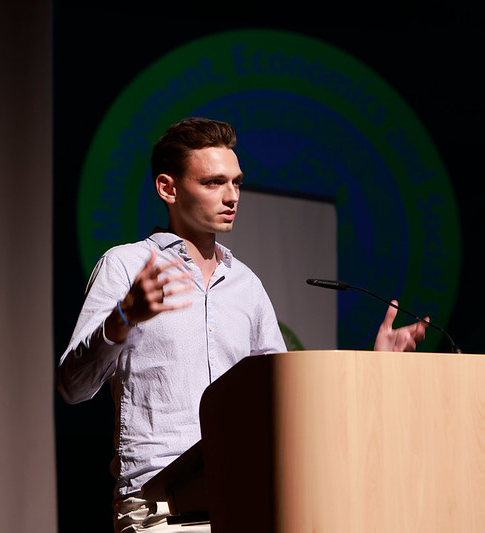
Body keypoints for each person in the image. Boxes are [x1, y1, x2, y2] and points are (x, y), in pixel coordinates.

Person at [57, 117, 427, 533]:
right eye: (214, 183)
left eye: (237, 183)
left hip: (246, 497)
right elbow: (73, 386)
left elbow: (285, 394)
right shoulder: (125, 265)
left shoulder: (246, 283)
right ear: (168, 188)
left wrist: (372, 369)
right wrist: (124, 316)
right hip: (161, 509)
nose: (232, 196)